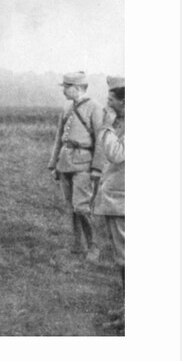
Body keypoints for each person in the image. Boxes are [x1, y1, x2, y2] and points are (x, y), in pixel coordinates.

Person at [48, 71, 105, 261]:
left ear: (78, 88)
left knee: (81, 207)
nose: (64, 91)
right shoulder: (66, 107)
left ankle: (94, 246)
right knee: (71, 207)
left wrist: (97, 168)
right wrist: (54, 164)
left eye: (67, 87)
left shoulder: (95, 108)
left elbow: (101, 140)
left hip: (84, 164)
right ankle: (77, 245)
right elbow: (59, 137)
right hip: (65, 163)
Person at [93, 76, 125, 328]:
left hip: (123, 201)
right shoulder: (123, 123)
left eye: (111, 99)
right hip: (118, 199)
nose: (107, 104)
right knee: (123, 258)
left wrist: (106, 126)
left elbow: (115, 154)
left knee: (127, 259)